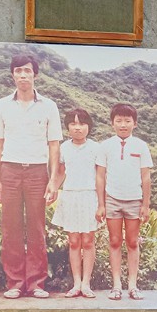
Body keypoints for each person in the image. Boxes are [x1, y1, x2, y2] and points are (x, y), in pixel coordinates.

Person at [0, 54, 63, 299]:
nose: (23, 75)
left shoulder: (49, 106)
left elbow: (54, 146)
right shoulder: (2, 105)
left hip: (37, 171)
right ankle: (15, 283)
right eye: (18, 70)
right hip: (9, 170)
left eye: (27, 71)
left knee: (36, 227)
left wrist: (53, 180)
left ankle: (36, 283)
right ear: (12, 74)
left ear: (35, 75)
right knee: (10, 228)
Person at [97, 103, 152, 301]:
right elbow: (100, 177)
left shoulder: (141, 146)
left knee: (132, 242)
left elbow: (146, 177)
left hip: (134, 200)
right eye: (119, 120)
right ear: (112, 123)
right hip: (112, 199)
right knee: (114, 241)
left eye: (127, 121)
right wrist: (101, 204)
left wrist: (145, 205)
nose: (123, 124)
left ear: (134, 123)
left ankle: (133, 286)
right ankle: (116, 286)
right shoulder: (105, 146)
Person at [47, 109, 105, 299]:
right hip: (70, 196)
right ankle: (76, 283)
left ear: (88, 126)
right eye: (73, 124)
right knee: (73, 242)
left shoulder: (97, 148)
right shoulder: (64, 148)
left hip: (89, 197)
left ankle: (86, 284)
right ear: (68, 127)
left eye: (81, 124)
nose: (77, 128)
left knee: (88, 241)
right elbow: (61, 172)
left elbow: (100, 177)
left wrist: (101, 203)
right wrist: (53, 189)